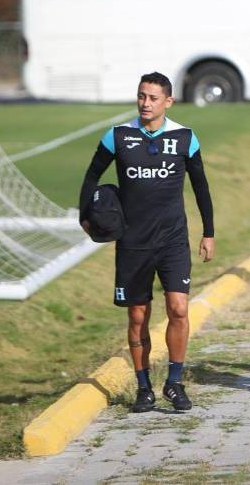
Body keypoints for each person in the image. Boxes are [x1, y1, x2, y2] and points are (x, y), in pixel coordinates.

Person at [79, 72, 215, 414]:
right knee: (138, 317)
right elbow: (92, 175)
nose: (145, 103)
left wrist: (208, 232)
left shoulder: (185, 137)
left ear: (168, 102)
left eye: (153, 98)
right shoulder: (118, 136)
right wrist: (85, 216)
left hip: (172, 240)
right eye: (141, 96)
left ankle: (175, 382)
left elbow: (201, 187)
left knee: (179, 308)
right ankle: (143, 388)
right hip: (133, 242)